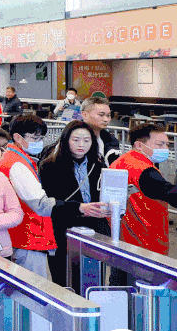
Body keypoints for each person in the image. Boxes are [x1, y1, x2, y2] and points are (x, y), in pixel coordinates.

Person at [38, 121, 113, 285]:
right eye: (76, 140)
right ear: (66, 140)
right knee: (64, 280)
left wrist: (108, 207)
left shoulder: (98, 164)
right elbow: (48, 203)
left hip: (94, 229)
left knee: (93, 280)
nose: (81, 145)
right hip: (63, 230)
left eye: (86, 140)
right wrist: (79, 208)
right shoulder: (49, 165)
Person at [0, 114, 56, 277]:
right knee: (33, 287)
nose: (39, 142)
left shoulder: (14, 158)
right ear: (17, 137)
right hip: (28, 237)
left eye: (41, 138)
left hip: (23, 236)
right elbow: (40, 204)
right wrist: (74, 208)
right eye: (35, 138)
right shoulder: (17, 164)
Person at [111, 124, 177, 256]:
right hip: (145, 242)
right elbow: (172, 195)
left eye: (167, 145)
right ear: (139, 145)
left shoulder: (123, 161)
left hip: (124, 235)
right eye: (160, 144)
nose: (165, 149)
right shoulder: (144, 171)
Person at [80, 96, 121, 165]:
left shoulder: (112, 141)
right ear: (84, 115)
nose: (106, 120)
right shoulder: (71, 138)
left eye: (108, 115)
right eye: (101, 115)